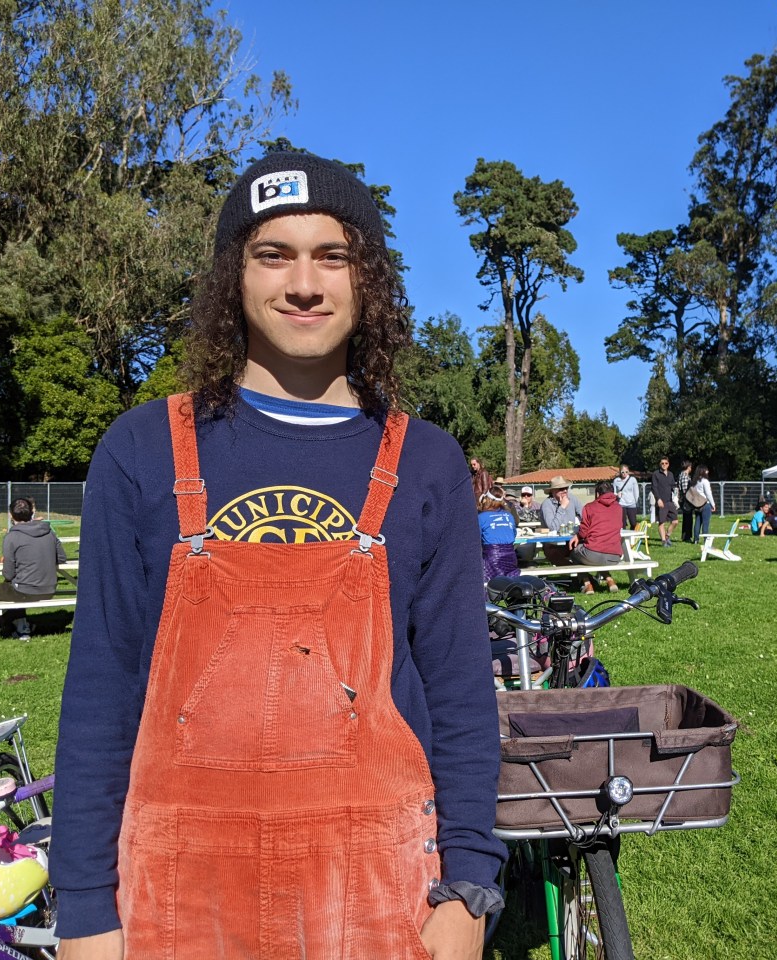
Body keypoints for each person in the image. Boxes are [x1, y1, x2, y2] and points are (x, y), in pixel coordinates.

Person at [52, 151, 502, 959]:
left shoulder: (428, 463)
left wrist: (468, 886)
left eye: (333, 256)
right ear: (235, 276)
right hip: (178, 900)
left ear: (367, 280)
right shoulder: (143, 452)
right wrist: (85, 907)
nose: (304, 284)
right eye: (274, 255)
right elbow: (100, 691)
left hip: (376, 895)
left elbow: (463, 692)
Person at [0, 497, 67, 639]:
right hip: (50, 589)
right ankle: (17, 623)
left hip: (24, 591)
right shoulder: (49, 533)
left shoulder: (12, 537)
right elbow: (62, 558)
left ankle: (1, 624)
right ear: (32, 512)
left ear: (10, 515)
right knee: (13, 588)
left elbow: (8, 574)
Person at [568, 480, 622, 594]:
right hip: (615, 556)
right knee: (599, 555)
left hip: (593, 554)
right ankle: (609, 580)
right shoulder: (619, 508)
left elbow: (583, 532)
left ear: (597, 494)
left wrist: (577, 535)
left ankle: (587, 584)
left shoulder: (589, 507)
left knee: (574, 552)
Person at [477, 486, 519, 582]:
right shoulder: (509, 515)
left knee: (491, 585)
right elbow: (513, 533)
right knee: (509, 584)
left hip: (492, 556)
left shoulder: (481, 517)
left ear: (487, 499)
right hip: (511, 555)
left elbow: (476, 539)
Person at [539, 476, 583, 565]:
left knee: (588, 549)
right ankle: (582, 576)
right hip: (552, 543)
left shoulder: (572, 498)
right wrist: (562, 507)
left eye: (566, 488)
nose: (565, 491)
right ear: (553, 491)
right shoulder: (546, 504)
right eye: (561, 489)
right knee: (552, 553)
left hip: (571, 540)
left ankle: (585, 576)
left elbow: (585, 515)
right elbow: (553, 527)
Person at [649, 457, 677, 547]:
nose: (664, 465)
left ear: (668, 464)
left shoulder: (671, 474)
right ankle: (664, 541)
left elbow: (673, 485)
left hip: (670, 501)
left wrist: (676, 491)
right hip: (661, 501)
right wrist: (658, 499)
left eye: (666, 463)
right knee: (662, 522)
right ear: (659, 464)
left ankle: (667, 536)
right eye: (662, 463)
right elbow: (654, 488)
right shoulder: (656, 474)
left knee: (675, 521)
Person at [688, 466, 715, 541]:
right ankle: (706, 539)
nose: (708, 472)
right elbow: (708, 493)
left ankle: (696, 539)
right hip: (705, 503)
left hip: (696, 504)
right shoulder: (705, 481)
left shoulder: (694, 481)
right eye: (706, 471)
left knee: (697, 521)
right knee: (705, 523)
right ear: (703, 471)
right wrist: (713, 504)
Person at [612, 464, 639, 530]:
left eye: (626, 472)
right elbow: (613, 492)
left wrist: (636, 502)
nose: (624, 474)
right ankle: (623, 539)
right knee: (622, 523)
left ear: (628, 471)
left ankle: (632, 536)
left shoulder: (632, 480)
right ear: (620, 472)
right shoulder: (616, 481)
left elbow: (636, 492)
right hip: (621, 504)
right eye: (622, 472)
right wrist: (617, 495)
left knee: (633, 523)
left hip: (631, 504)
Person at [678, 460, 695, 543]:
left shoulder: (681, 475)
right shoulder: (685, 476)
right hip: (687, 500)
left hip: (684, 499)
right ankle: (687, 536)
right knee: (688, 519)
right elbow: (685, 490)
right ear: (688, 467)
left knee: (686, 518)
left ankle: (685, 536)